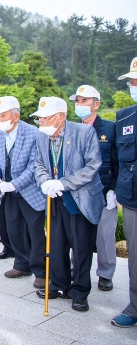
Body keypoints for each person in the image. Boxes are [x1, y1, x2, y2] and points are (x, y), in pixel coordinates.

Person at [32, 97, 104, 312]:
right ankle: (59, 283)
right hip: (54, 201)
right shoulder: (42, 136)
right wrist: (45, 182)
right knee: (55, 245)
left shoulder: (84, 133)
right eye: (40, 119)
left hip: (79, 200)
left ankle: (80, 291)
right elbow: (38, 164)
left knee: (81, 248)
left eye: (45, 119)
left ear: (61, 116)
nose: (42, 123)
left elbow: (93, 166)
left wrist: (62, 183)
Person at [0, 96, 47, 289]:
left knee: (35, 231)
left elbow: (33, 165)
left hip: (30, 190)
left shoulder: (33, 133)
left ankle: (41, 270)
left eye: (2, 115)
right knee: (13, 229)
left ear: (15, 116)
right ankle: (22, 264)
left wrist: (14, 184)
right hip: (6, 190)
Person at [70, 85, 118, 292]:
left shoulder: (110, 129)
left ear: (96, 104)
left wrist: (114, 189)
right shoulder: (72, 129)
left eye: (84, 101)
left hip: (103, 190)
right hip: (79, 191)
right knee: (77, 234)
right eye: (77, 101)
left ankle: (105, 274)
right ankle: (77, 269)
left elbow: (118, 161)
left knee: (105, 236)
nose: (80, 105)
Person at [112, 56, 137, 327]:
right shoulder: (125, 116)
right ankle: (134, 308)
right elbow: (119, 158)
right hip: (133, 197)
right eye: (132, 81)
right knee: (135, 257)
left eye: (135, 81)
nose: (132, 84)